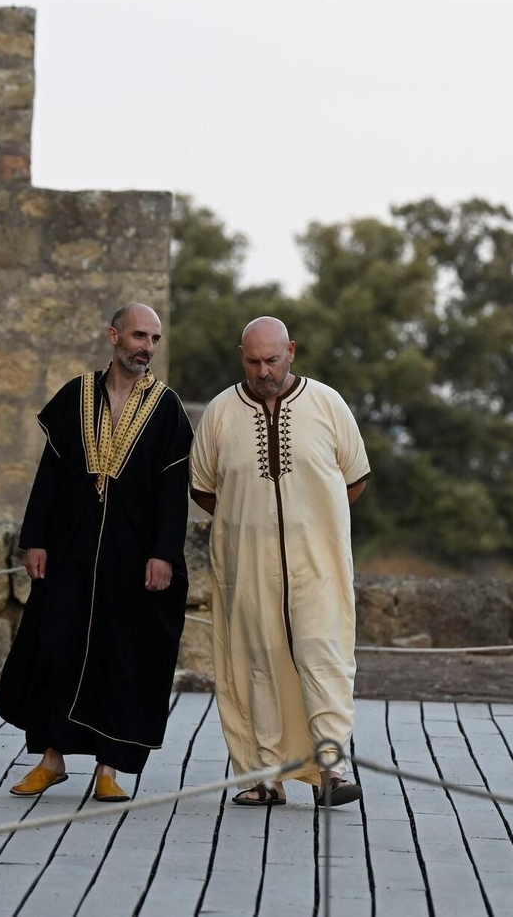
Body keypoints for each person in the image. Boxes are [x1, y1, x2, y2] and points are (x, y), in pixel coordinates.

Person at [0, 303, 194, 801]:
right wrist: (35, 538)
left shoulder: (166, 408)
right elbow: (51, 475)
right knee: (55, 648)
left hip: (133, 557)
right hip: (69, 550)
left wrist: (164, 554)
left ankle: (109, 768)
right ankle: (50, 759)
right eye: (138, 336)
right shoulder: (75, 396)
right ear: (114, 336)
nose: (146, 347)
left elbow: (173, 492)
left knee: (121, 655)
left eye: (154, 339)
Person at [189, 316, 370, 807]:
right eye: (253, 361)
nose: (263, 370)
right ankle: (264, 777)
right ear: (240, 356)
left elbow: (355, 479)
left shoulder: (328, 404)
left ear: (291, 350)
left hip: (319, 567)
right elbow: (205, 489)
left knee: (323, 660)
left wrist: (311, 522)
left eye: (272, 359)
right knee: (257, 668)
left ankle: (332, 770)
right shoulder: (222, 413)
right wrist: (253, 525)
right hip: (247, 571)